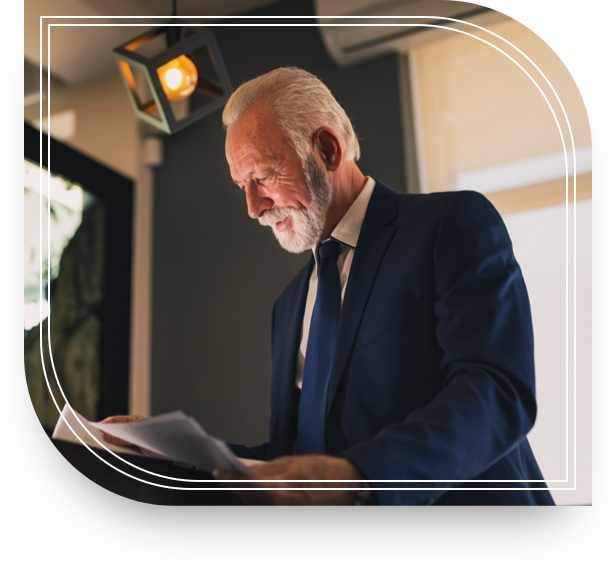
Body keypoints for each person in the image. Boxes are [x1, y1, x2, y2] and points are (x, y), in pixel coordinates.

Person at [104, 67, 555, 506]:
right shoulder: (287, 308)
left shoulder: (450, 225)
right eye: (243, 185)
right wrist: (177, 455)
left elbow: (497, 393)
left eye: (262, 177)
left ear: (327, 149)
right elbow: (297, 461)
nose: (253, 207)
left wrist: (361, 475)